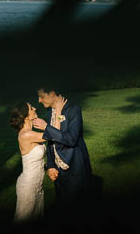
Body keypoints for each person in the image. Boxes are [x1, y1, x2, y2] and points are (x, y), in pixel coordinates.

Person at [33, 87, 93, 217]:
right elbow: (51, 141)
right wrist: (51, 166)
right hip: (58, 172)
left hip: (74, 168)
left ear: (53, 93)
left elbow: (71, 139)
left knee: (77, 207)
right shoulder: (49, 113)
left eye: (41, 96)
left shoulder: (74, 109)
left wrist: (46, 127)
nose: (39, 100)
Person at [8, 101, 47, 223]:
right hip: (28, 186)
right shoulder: (26, 135)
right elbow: (53, 135)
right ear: (25, 116)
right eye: (31, 108)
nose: (35, 108)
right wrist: (58, 115)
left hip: (38, 185)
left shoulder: (31, 132)